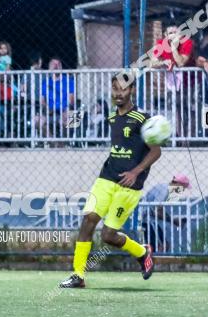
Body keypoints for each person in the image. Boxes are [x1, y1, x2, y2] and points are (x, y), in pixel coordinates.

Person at [59, 71, 159, 288]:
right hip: (106, 178)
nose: (119, 93)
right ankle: (78, 276)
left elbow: (156, 151)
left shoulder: (143, 119)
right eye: (115, 89)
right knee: (88, 221)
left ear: (132, 90)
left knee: (108, 235)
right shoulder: (112, 116)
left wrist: (136, 172)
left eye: (124, 89)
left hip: (129, 186)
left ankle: (143, 253)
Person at [152, 25, 195, 138]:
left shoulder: (187, 42)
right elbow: (152, 63)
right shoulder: (161, 43)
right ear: (165, 35)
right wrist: (163, 62)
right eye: (170, 33)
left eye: (175, 32)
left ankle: (191, 136)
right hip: (172, 83)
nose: (172, 35)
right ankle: (179, 136)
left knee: (188, 109)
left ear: (180, 34)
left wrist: (173, 47)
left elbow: (180, 63)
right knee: (176, 108)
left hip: (189, 82)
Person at [141, 175, 190, 252]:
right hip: (147, 220)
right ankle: (153, 262)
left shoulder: (163, 187)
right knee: (162, 246)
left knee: (161, 245)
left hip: (149, 219)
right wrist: (173, 220)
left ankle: (151, 261)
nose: (182, 191)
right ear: (177, 184)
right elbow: (157, 210)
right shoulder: (164, 191)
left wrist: (172, 219)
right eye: (182, 188)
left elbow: (157, 209)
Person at [40, 57, 76, 142]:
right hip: (50, 111)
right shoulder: (45, 82)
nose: (56, 67)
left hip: (64, 110)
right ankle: (54, 142)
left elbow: (71, 100)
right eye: (53, 64)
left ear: (61, 67)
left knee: (66, 118)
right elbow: (42, 100)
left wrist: (66, 108)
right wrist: (47, 108)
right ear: (49, 68)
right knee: (38, 120)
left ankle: (62, 143)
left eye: (58, 64)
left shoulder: (68, 81)